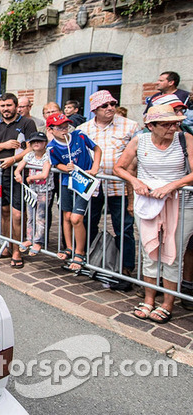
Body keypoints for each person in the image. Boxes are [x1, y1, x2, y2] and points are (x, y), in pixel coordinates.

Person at [114, 104, 193, 324]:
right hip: (149, 203)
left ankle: (167, 303)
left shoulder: (185, 139)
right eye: (166, 124)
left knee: (173, 253)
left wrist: (172, 186)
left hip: (180, 203)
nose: (172, 127)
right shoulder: (140, 140)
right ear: (151, 126)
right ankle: (149, 298)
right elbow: (119, 167)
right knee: (149, 250)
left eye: (175, 122)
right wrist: (135, 181)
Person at [78, 90, 140, 285]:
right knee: (89, 223)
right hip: (94, 186)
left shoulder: (130, 126)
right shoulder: (84, 129)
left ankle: (125, 268)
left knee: (124, 227)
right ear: (95, 109)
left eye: (113, 104)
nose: (110, 108)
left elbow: (139, 155)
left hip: (120, 186)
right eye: (105, 106)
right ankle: (91, 259)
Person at [0, 92, 37, 268]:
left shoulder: (27, 123)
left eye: (9, 105)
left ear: (16, 106)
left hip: (17, 175)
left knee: (17, 215)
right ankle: (6, 246)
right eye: (2, 106)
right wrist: (4, 146)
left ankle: (17, 250)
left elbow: (32, 148)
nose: (6, 109)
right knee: (4, 212)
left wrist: (14, 159)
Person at [46, 113, 102, 272]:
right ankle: (69, 247)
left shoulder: (80, 136)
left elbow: (97, 149)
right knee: (67, 216)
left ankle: (80, 252)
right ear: (51, 129)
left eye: (66, 126)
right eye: (60, 127)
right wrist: (66, 167)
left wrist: (95, 167)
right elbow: (56, 165)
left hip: (83, 181)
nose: (64, 129)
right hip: (66, 182)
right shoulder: (52, 147)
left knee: (77, 218)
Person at [14, 132, 53, 255]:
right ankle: (29, 238)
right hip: (31, 190)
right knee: (30, 216)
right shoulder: (30, 155)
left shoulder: (48, 156)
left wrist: (31, 178)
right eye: (33, 142)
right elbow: (18, 168)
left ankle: (38, 241)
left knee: (40, 217)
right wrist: (18, 175)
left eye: (39, 141)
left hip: (44, 191)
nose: (36, 144)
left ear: (45, 143)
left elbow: (45, 173)